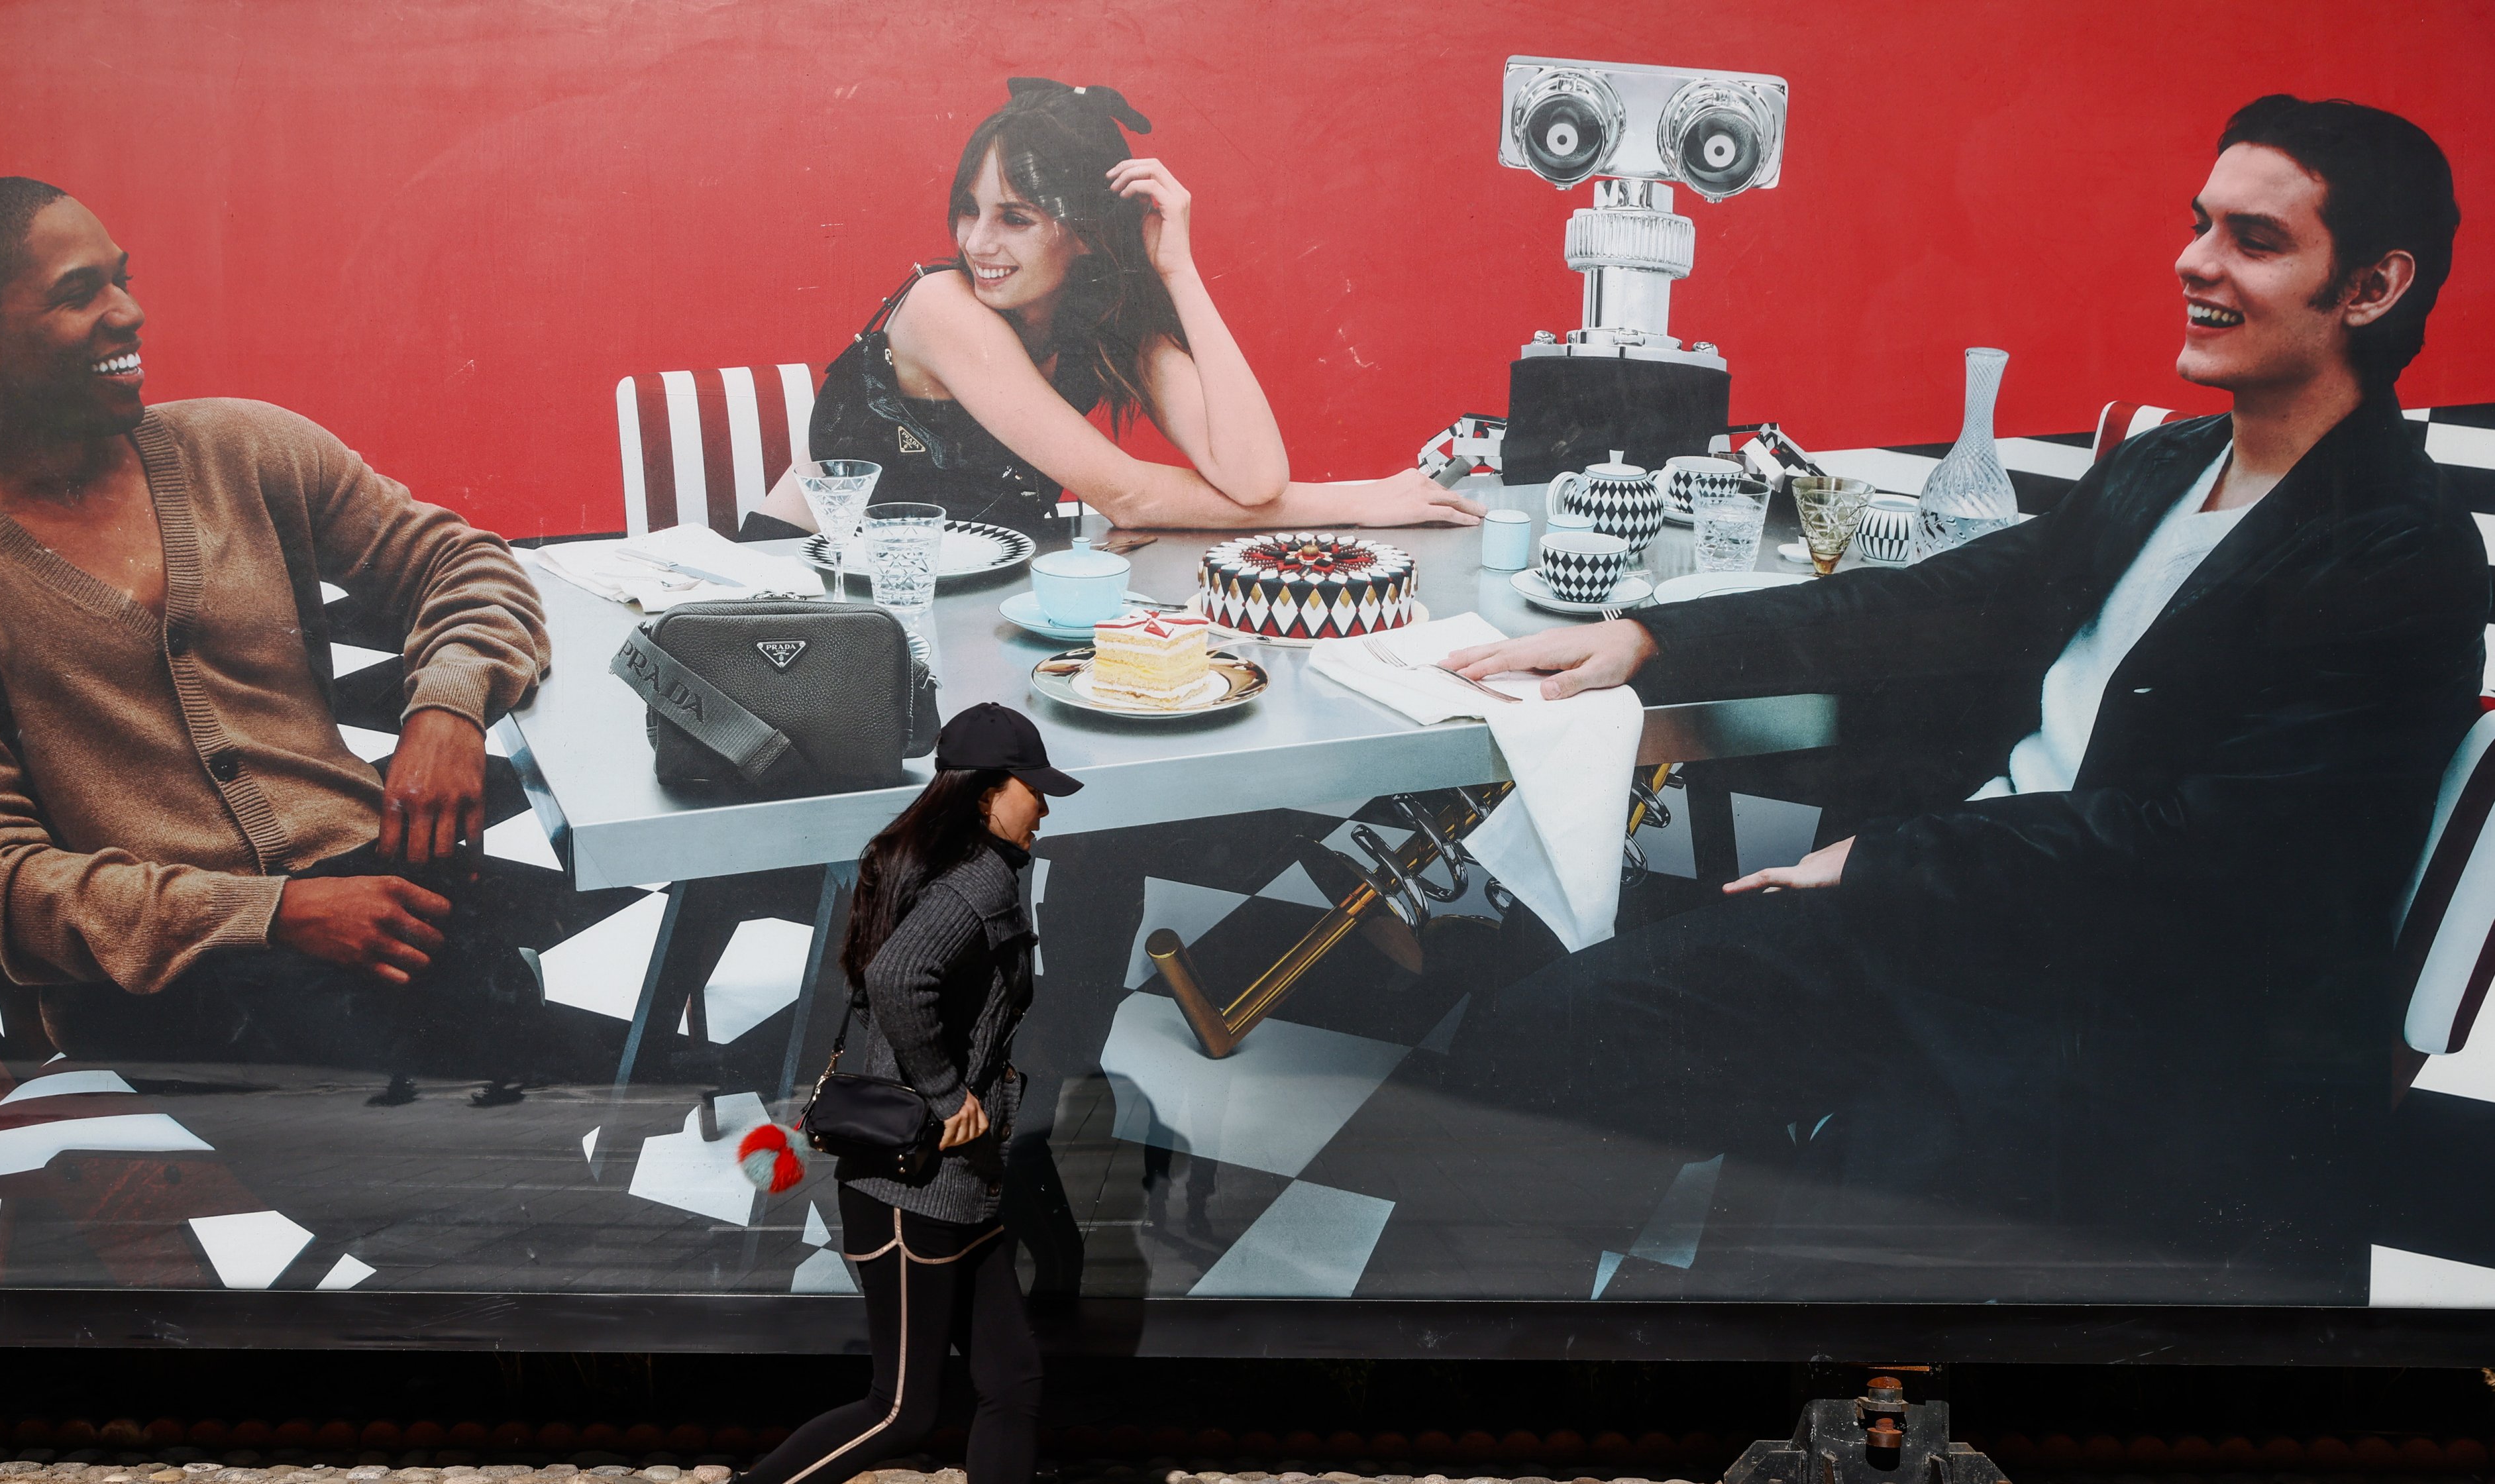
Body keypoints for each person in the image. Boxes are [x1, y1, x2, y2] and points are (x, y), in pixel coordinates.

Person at [1436, 97, 2484, 1289]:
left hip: (2126, 1016)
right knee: (1543, 1040)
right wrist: (1646, 638)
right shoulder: (2167, 464)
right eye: (2201, 226)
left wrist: (1884, 862)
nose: (2193, 261)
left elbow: (2220, 853)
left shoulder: (2401, 553)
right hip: (1959, 924)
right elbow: (1923, 602)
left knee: (1803, 1266)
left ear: (2372, 287)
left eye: (2254, 240)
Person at [0, 178, 562, 1087]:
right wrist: (268, 912)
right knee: (487, 1127)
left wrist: (447, 707)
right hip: (166, 979)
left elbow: (467, 566)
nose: (127, 314)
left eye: (120, 280)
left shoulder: (247, 449)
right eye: (77, 292)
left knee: (545, 1092)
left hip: (376, 899)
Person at [631, 703, 1114, 1484]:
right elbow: (898, 979)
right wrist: (943, 1092)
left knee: (1011, 1378)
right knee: (901, 1405)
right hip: (910, 1185)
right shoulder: (973, 880)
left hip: (955, 1183)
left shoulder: (930, 862)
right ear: (985, 795)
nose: (1043, 813)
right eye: (1033, 794)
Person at [760, 77, 1483, 536]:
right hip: (800, 592)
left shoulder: (1103, 324)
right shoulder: (942, 307)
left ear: (1084, 233)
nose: (977, 242)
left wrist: (1179, 269)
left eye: (1015, 218)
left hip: (961, 603)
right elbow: (1129, 497)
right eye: (968, 210)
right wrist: (1360, 500)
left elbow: (1254, 477)